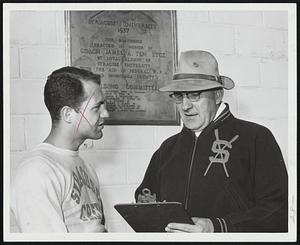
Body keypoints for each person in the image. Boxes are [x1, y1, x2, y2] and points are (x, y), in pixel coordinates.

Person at [135, 50, 288, 233]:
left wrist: (216, 227)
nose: (185, 106)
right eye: (179, 96)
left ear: (217, 95)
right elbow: (147, 197)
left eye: (194, 95)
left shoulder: (256, 138)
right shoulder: (168, 148)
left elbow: (279, 211)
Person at [11, 67, 109, 232]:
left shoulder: (86, 167)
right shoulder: (36, 171)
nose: (105, 113)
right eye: (97, 107)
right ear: (68, 114)